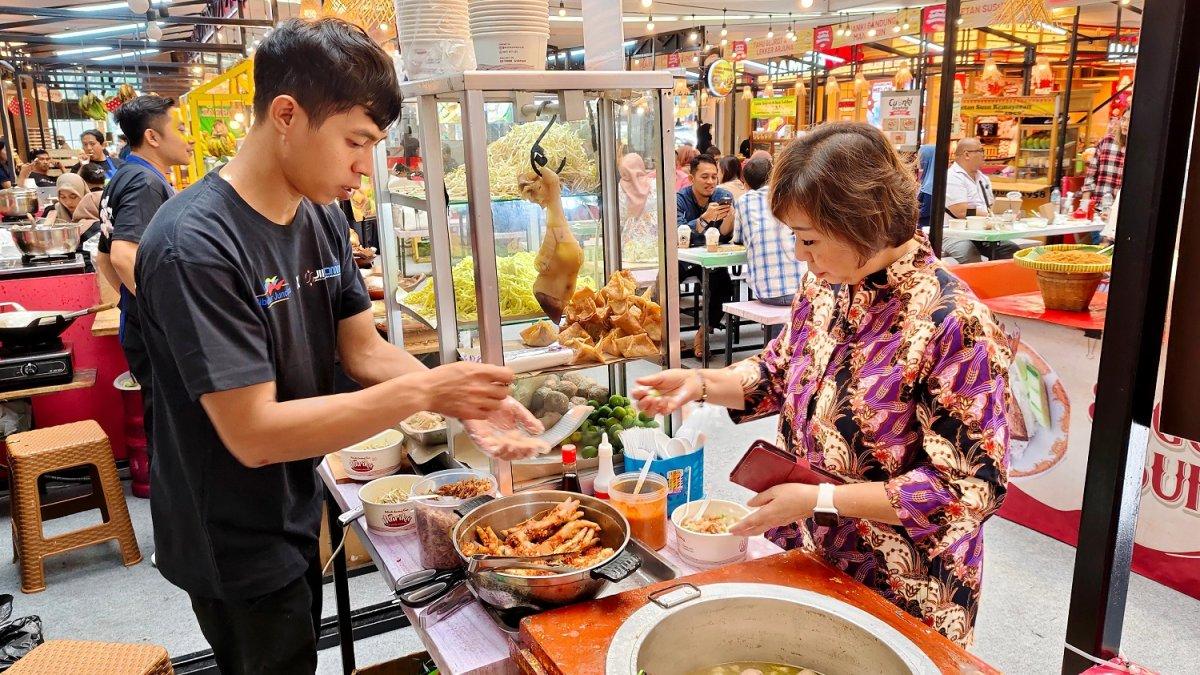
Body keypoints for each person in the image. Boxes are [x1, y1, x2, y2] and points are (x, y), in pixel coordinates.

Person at [134, 19, 545, 674]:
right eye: (356, 141)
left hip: (296, 492)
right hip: (229, 528)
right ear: (287, 115)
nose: (365, 164)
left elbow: (364, 349)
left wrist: (466, 401)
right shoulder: (195, 244)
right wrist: (424, 391)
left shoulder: (321, 213)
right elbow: (254, 433)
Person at [636, 122, 1012, 648]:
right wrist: (699, 382)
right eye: (793, 236)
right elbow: (776, 370)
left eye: (808, 238)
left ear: (865, 223)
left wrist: (822, 497)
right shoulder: (827, 284)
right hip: (812, 549)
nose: (797, 254)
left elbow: (969, 490)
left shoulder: (953, 322)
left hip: (907, 583)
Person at [677, 154, 735, 357]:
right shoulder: (680, 199)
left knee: (723, 284)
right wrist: (705, 218)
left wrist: (729, 219)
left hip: (711, 259)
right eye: (705, 177)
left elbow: (726, 236)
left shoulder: (722, 196)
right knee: (666, 282)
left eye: (714, 176)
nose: (710, 182)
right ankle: (667, 335)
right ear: (692, 179)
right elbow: (678, 232)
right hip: (683, 259)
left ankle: (704, 333)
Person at [731, 155, 806, 308]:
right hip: (802, 289)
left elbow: (737, 239)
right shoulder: (789, 196)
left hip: (766, 293)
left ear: (746, 182)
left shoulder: (743, 201)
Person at [943, 137, 1019, 263]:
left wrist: (1006, 212)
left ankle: (998, 282)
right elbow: (961, 211)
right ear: (967, 154)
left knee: (1012, 251)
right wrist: (990, 216)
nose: (984, 155)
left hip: (981, 232)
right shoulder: (952, 177)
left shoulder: (982, 178)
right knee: (970, 256)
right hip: (955, 233)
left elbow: (990, 206)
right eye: (980, 151)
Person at [1082, 113, 1128, 205]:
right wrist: (1084, 206)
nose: (1125, 124)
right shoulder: (1107, 142)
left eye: (1129, 120)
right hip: (1100, 206)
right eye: (1123, 119)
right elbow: (1090, 176)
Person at [916, 144, 935, 232]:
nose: (918, 160)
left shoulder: (930, 184)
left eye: (921, 157)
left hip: (926, 229)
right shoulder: (928, 179)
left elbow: (926, 210)